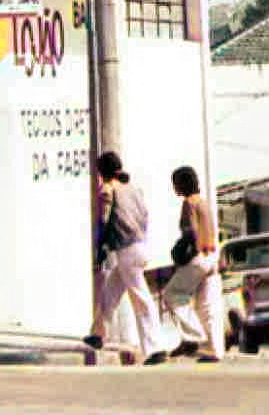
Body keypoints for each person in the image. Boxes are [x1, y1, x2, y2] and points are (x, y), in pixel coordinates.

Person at [85, 150, 166, 365]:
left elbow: (103, 221)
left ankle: (155, 347)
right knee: (110, 292)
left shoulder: (107, 190)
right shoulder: (134, 189)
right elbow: (145, 216)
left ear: (102, 172)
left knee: (141, 299)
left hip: (126, 249)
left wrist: (100, 247)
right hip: (140, 245)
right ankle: (98, 334)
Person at [161, 165, 224, 363]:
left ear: (183, 184)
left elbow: (191, 233)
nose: (174, 187)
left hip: (198, 256)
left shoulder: (189, 203)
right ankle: (213, 350)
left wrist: (180, 254)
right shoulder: (203, 202)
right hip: (211, 256)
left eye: (176, 183)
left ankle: (193, 338)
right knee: (205, 307)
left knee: (171, 294)